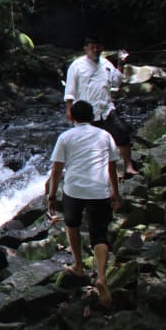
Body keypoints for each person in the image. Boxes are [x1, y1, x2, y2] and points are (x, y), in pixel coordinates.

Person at [46, 100, 121, 308]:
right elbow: (112, 168)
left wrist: (51, 196)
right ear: (93, 116)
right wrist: (116, 194)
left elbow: (56, 170)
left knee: (72, 225)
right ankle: (101, 277)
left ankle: (78, 266)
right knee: (100, 234)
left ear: (72, 117)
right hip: (99, 190)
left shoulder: (65, 137)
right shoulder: (105, 135)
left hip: (74, 190)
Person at [64, 35, 138, 176]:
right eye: (92, 47)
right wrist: (69, 109)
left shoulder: (106, 64)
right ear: (86, 49)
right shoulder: (76, 65)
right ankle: (84, 171)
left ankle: (128, 165)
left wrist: (121, 63)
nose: (95, 50)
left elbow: (117, 81)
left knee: (122, 132)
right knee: (86, 142)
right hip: (85, 111)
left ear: (102, 48)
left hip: (106, 109)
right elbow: (70, 89)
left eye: (98, 47)